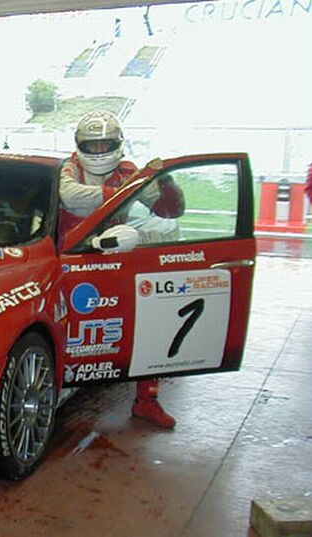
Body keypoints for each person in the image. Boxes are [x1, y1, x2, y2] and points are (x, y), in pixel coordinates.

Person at [58, 110, 176, 429]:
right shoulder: (69, 167)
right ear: (80, 145)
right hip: (70, 255)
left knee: (146, 323)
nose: (98, 152)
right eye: (91, 146)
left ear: (117, 144)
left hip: (116, 255)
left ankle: (146, 399)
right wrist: (127, 190)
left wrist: (165, 182)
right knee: (66, 327)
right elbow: (70, 196)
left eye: (104, 145)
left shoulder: (127, 170)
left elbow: (169, 209)